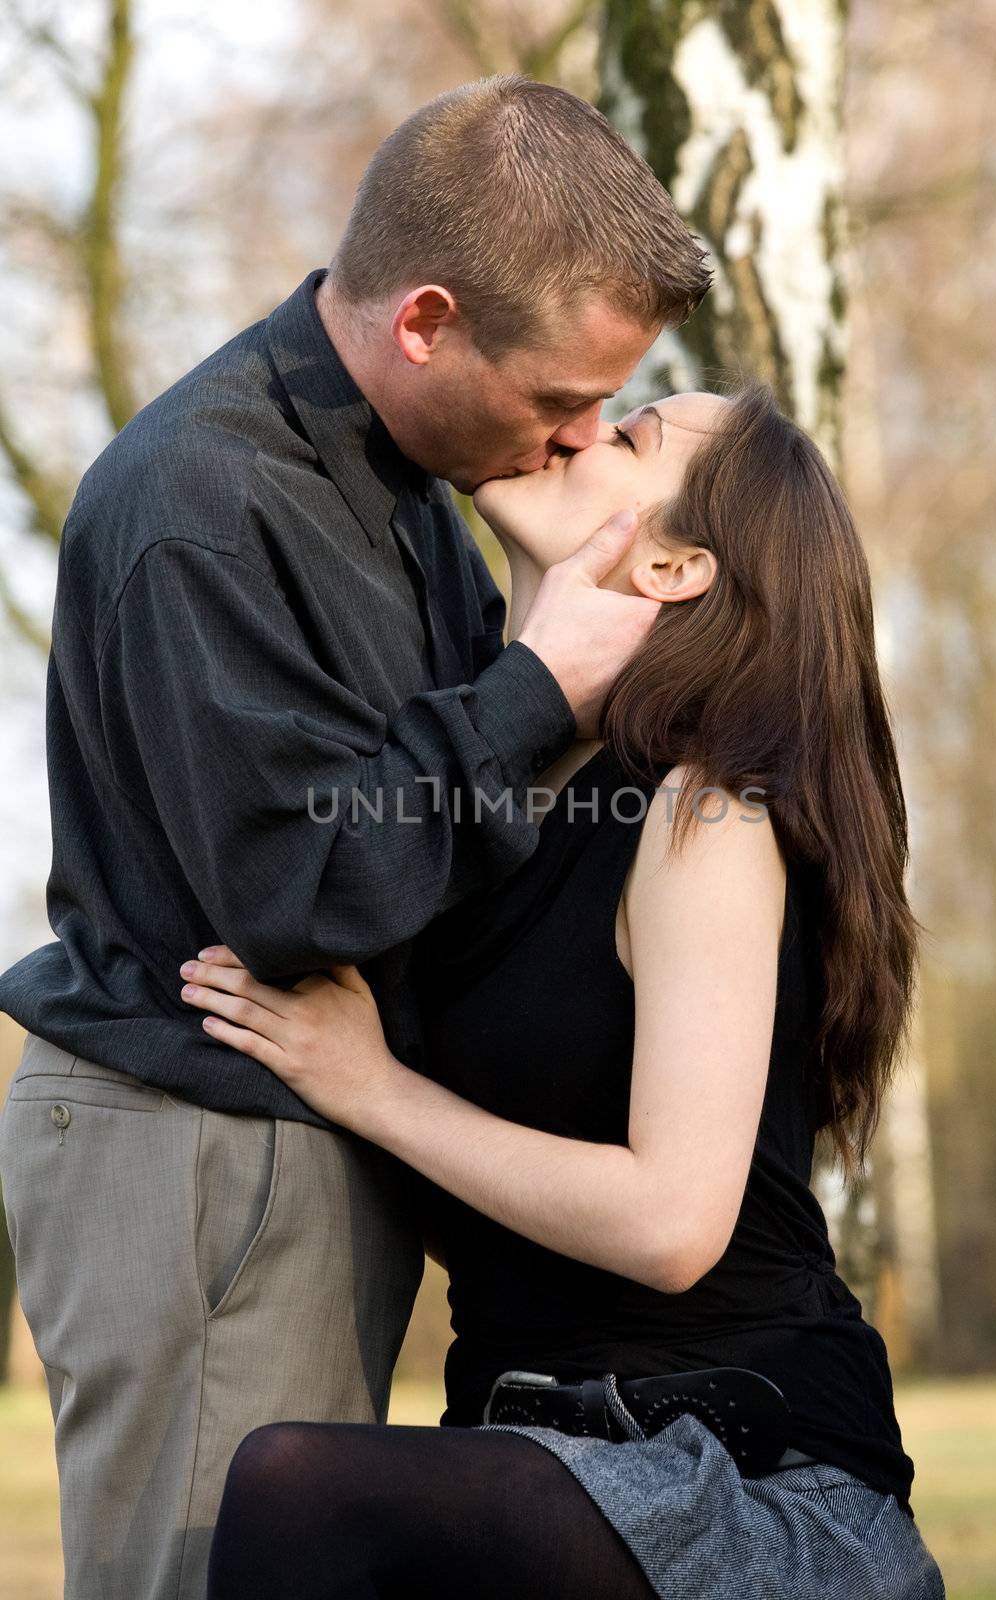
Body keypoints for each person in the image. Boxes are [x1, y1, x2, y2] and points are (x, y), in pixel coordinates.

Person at [0, 77, 711, 1600]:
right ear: (425, 321)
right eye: (556, 400)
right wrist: (536, 691)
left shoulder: (396, 480)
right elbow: (301, 887)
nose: (579, 435)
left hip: (276, 1141)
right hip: (199, 1139)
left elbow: (447, 835)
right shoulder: (209, 499)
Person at [183, 386, 947, 1599]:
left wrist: (368, 1086)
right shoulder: (500, 806)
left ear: (674, 564)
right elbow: (496, 1200)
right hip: (527, 1441)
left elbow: (669, 1225)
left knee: (290, 1489)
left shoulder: (706, 813)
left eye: (631, 434)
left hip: (737, 1470)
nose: (581, 424)